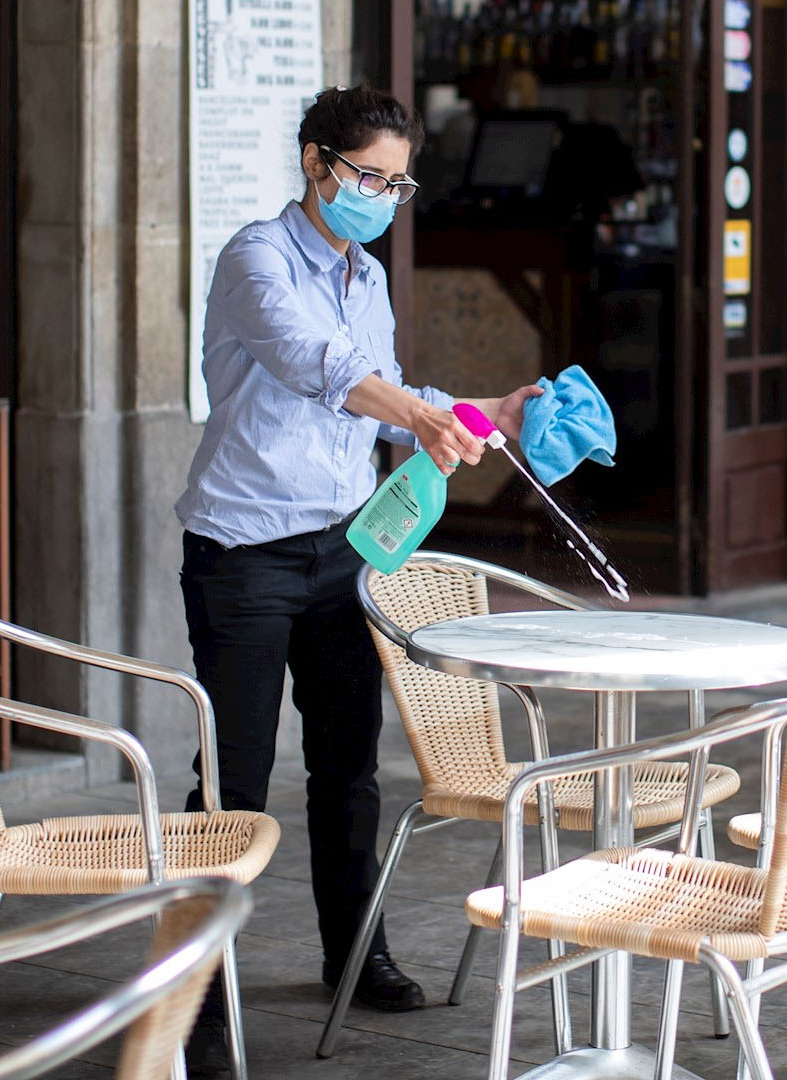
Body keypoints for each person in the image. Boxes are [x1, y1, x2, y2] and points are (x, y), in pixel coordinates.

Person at [174, 85, 542, 1075]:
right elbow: (318, 365)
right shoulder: (256, 257)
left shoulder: (365, 275)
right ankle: (198, 998)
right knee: (233, 782)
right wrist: (419, 416)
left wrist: (481, 412)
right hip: (244, 551)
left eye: (396, 181)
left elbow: (387, 403)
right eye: (367, 176)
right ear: (315, 162)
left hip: (348, 549)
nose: (381, 194)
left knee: (349, 769)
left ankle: (355, 953)